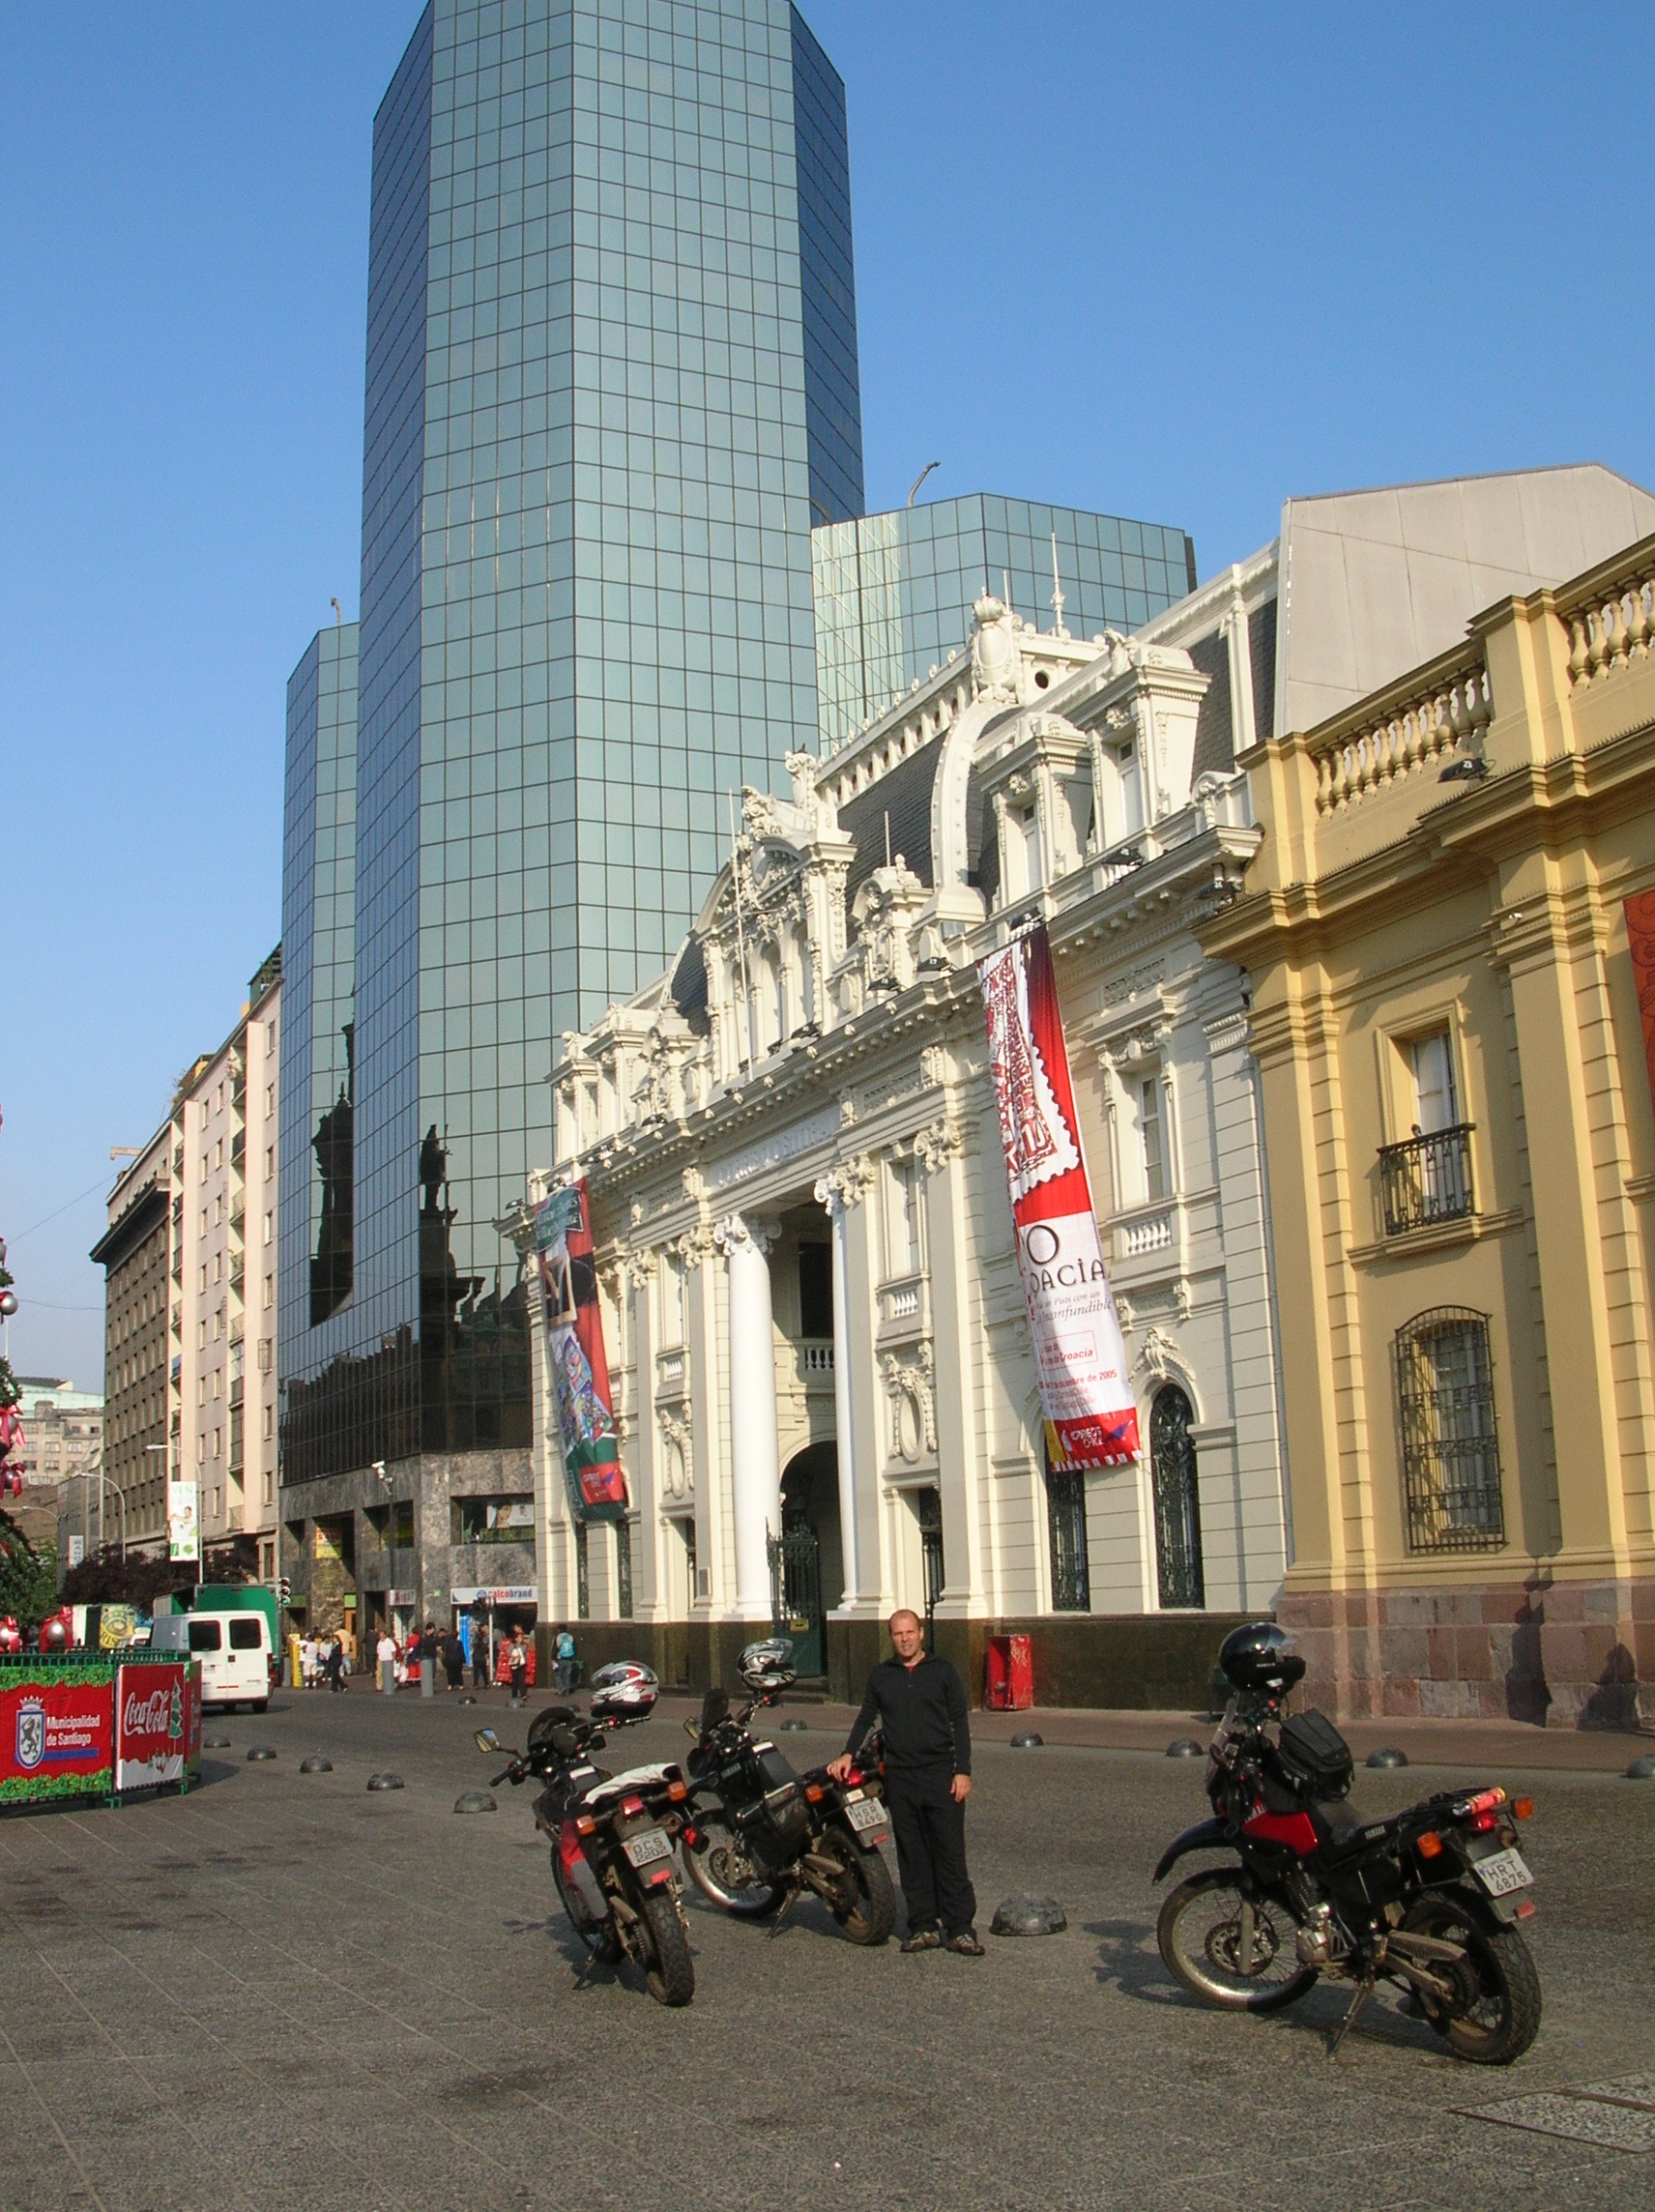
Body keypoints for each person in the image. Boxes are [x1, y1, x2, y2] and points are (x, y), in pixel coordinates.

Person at [828, 1609, 982, 1956]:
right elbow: (866, 1717)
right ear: (891, 1637)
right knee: (912, 1855)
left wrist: (963, 1770)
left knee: (950, 1853)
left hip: (941, 1775)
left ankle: (960, 1928)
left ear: (921, 1633)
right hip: (900, 1776)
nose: (905, 1639)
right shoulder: (881, 1675)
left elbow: (959, 1723)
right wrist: (847, 1753)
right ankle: (923, 1925)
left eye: (910, 1632)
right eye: (898, 1634)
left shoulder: (942, 1671)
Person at [507, 1625, 529, 1704]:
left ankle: (523, 1694)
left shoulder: (524, 1646)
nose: (521, 1639)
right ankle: (514, 1695)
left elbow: (525, 1654)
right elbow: (508, 1652)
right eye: (519, 1637)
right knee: (515, 1680)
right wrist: (514, 1656)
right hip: (515, 1665)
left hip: (522, 1664)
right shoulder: (512, 1645)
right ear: (515, 1639)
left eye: (521, 1637)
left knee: (522, 1680)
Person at [553, 1624, 577, 1695]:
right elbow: (575, 1647)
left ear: (559, 1629)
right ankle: (566, 1692)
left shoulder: (558, 1637)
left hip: (560, 1659)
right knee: (567, 1676)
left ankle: (561, 1688)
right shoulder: (571, 1637)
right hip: (569, 1658)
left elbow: (555, 1648)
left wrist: (553, 1659)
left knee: (558, 1674)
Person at [443, 1628, 465, 1692]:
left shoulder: (447, 1643)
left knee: (450, 1673)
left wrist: (445, 1659)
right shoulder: (459, 1643)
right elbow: (461, 1652)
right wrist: (463, 1660)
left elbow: (445, 1651)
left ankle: (450, 1685)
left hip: (449, 1660)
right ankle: (460, 1684)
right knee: (458, 1673)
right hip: (457, 1660)